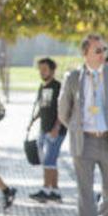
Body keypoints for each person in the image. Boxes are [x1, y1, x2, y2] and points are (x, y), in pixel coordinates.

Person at [57, 33, 108, 216]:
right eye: (97, 50)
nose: (102, 54)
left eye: (104, 49)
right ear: (85, 53)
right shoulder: (73, 77)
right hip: (83, 141)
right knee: (84, 192)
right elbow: (63, 110)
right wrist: (76, 128)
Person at [29, 57, 67, 203]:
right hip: (44, 129)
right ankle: (55, 191)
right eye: (40, 69)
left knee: (49, 161)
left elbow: (62, 109)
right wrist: (33, 121)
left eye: (44, 69)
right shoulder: (43, 87)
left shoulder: (58, 87)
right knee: (51, 161)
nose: (42, 72)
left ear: (52, 70)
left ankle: (46, 189)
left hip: (56, 130)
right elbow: (43, 107)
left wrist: (56, 128)